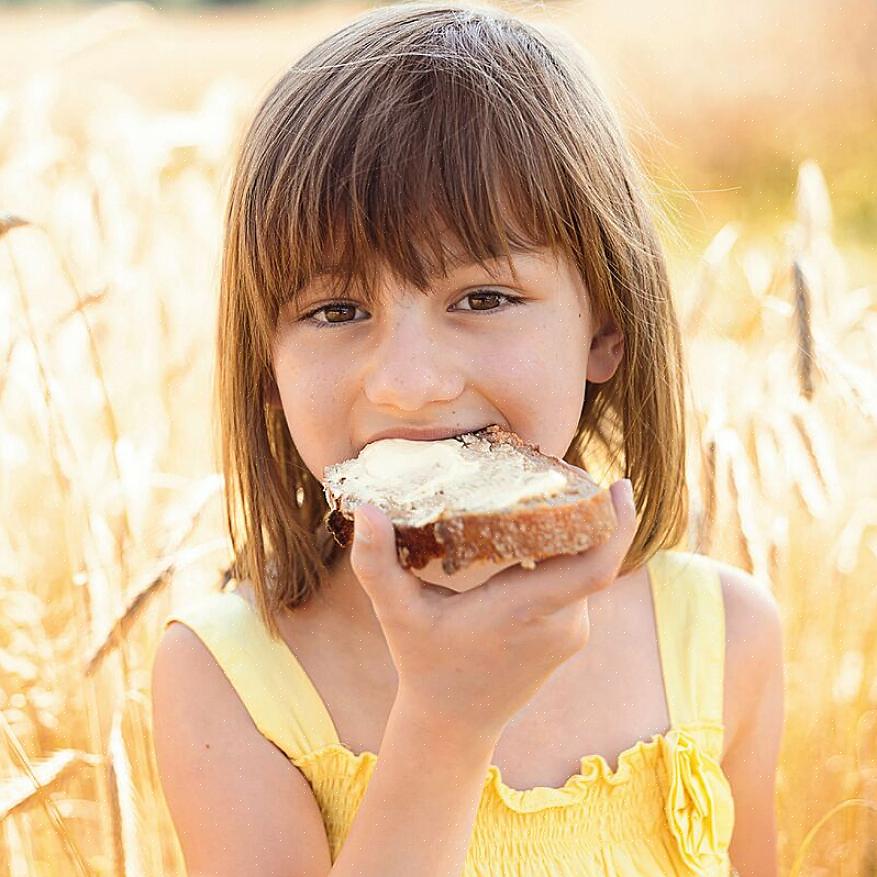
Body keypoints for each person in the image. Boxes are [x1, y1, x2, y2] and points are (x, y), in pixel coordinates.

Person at [150, 2, 785, 875]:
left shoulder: (726, 637)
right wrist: (445, 724)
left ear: (604, 326)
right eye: (336, 310)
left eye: (482, 298)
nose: (408, 381)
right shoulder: (226, 677)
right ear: (268, 366)